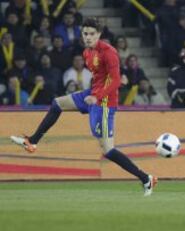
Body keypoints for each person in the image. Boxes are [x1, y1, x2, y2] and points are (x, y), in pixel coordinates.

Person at [10, 18, 157, 196]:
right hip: (91, 95)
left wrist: (98, 96)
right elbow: (102, 77)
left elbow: (116, 80)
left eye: (92, 34)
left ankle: (146, 178)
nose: (88, 37)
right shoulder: (87, 52)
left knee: (108, 150)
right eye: (85, 33)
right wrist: (92, 93)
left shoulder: (109, 52)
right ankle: (32, 141)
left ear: (99, 34)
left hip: (104, 103)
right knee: (57, 104)